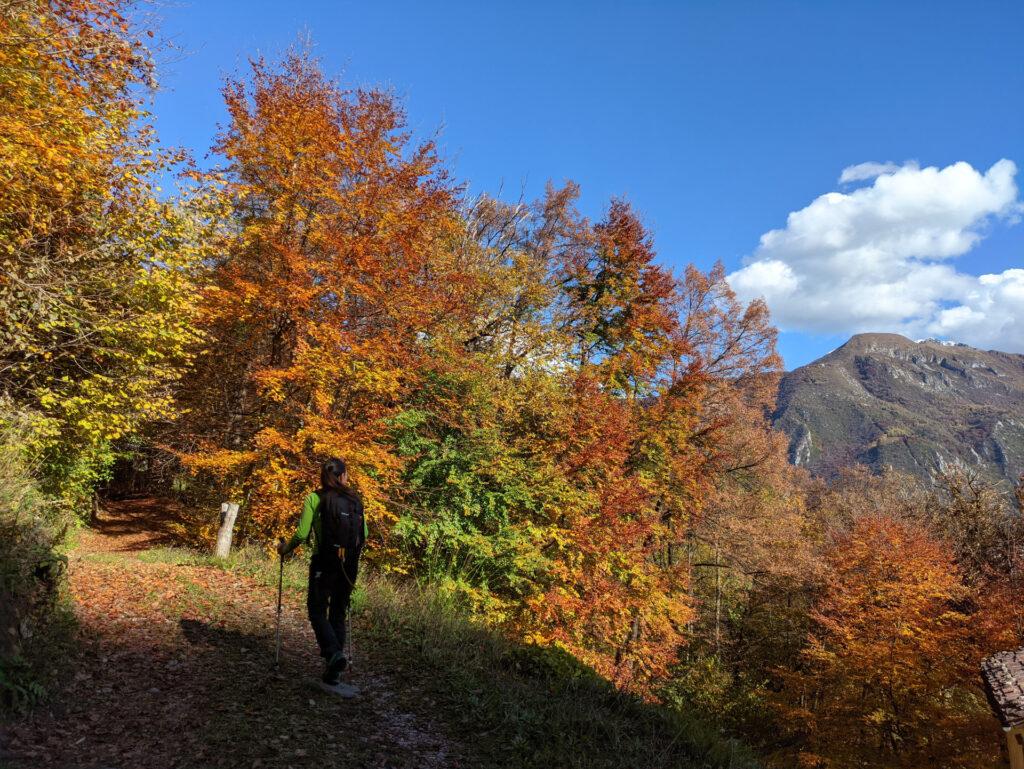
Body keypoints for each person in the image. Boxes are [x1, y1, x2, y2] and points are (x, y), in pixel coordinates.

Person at [278, 457, 366, 685]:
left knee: (316, 610)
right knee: (337, 611)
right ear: (344, 476)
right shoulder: (355, 500)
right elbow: (364, 533)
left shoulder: (314, 498)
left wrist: (284, 550)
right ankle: (334, 668)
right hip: (349, 565)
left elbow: (301, 534)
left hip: (324, 562)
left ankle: (334, 654)